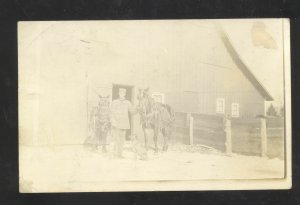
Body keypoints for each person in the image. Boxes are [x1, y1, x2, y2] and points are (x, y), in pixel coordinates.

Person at [110, 88, 134, 158]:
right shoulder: (115, 102)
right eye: (120, 93)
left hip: (124, 124)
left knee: (122, 140)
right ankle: (115, 154)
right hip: (117, 124)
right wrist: (113, 121)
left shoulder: (128, 102)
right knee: (116, 139)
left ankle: (119, 154)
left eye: (123, 93)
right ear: (119, 93)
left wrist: (139, 109)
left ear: (125, 94)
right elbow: (111, 112)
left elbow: (132, 111)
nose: (122, 94)